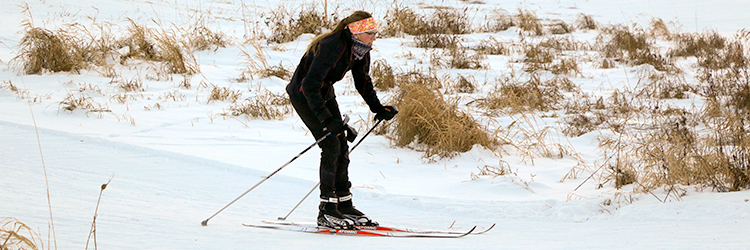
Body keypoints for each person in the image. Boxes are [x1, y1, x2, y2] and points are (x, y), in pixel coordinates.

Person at [285, 11, 398, 229]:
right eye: (370, 32)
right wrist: (327, 120)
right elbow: (309, 85)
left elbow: (363, 81)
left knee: (341, 145)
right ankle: (327, 210)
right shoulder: (332, 45)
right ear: (356, 30)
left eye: (376, 32)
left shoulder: (360, 49)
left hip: (323, 91)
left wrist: (378, 108)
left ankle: (344, 205)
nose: (374, 37)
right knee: (330, 144)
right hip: (304, 93)